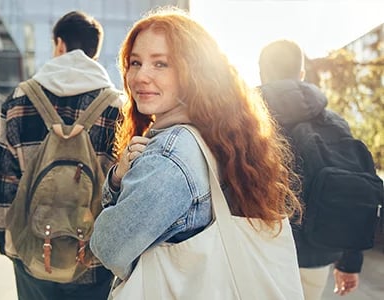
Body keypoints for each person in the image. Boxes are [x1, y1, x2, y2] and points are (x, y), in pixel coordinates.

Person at [89, 7, 302, 295]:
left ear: (194, 71)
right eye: (135, 63)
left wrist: (115, 184)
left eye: (161, 64)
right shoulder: (218, 135)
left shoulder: (169, 156)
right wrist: (119, 178)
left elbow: (109, 247)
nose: (140, 76)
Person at [0, 11, 122, 300]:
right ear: (94, 53)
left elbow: (3, 179)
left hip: (32, 250)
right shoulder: (116, 107)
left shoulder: (18, 100)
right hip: (93, 256)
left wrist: (3, 237)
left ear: (59, 45)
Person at [258, 39, 362, 299]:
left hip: (259, 251)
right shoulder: (334, 122)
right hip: (317, 252)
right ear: (301, 75)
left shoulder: (244, 121)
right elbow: (352, 192)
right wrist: (349, 262)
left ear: (261, 73)